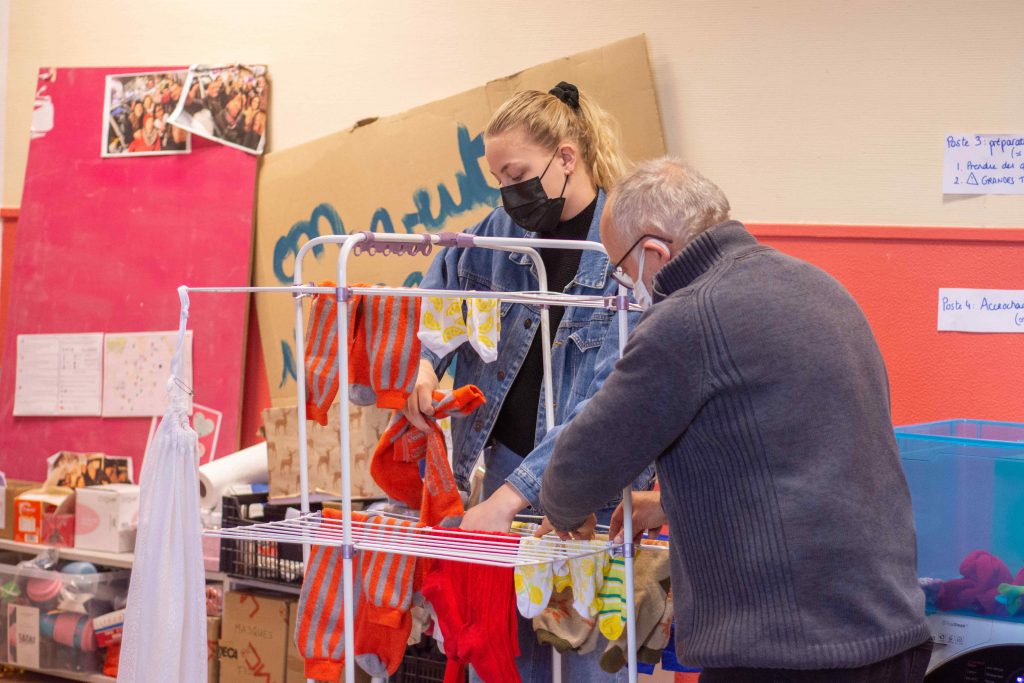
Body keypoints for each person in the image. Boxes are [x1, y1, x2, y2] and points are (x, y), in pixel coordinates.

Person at [538, 158, 932, 682]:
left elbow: (579, 469)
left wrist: (564, 511)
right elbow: (796, 452)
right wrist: (670, 500)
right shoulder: (821, 288)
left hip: (789, 654)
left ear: (653, 252)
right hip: (891, 632)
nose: (627, 288)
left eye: (620, 271)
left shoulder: (685, 318)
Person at [403, 82, 651, 682]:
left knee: (584, 658)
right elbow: (446, 277)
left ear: (567, 159)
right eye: (499, 181)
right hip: (498, 474)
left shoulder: (626, 251)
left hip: (585, 492)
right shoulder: (504, 230)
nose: (509, 195)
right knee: (503, 657)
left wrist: (509, 498)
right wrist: (428, 363)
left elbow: (605, 407)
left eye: (517, 175)